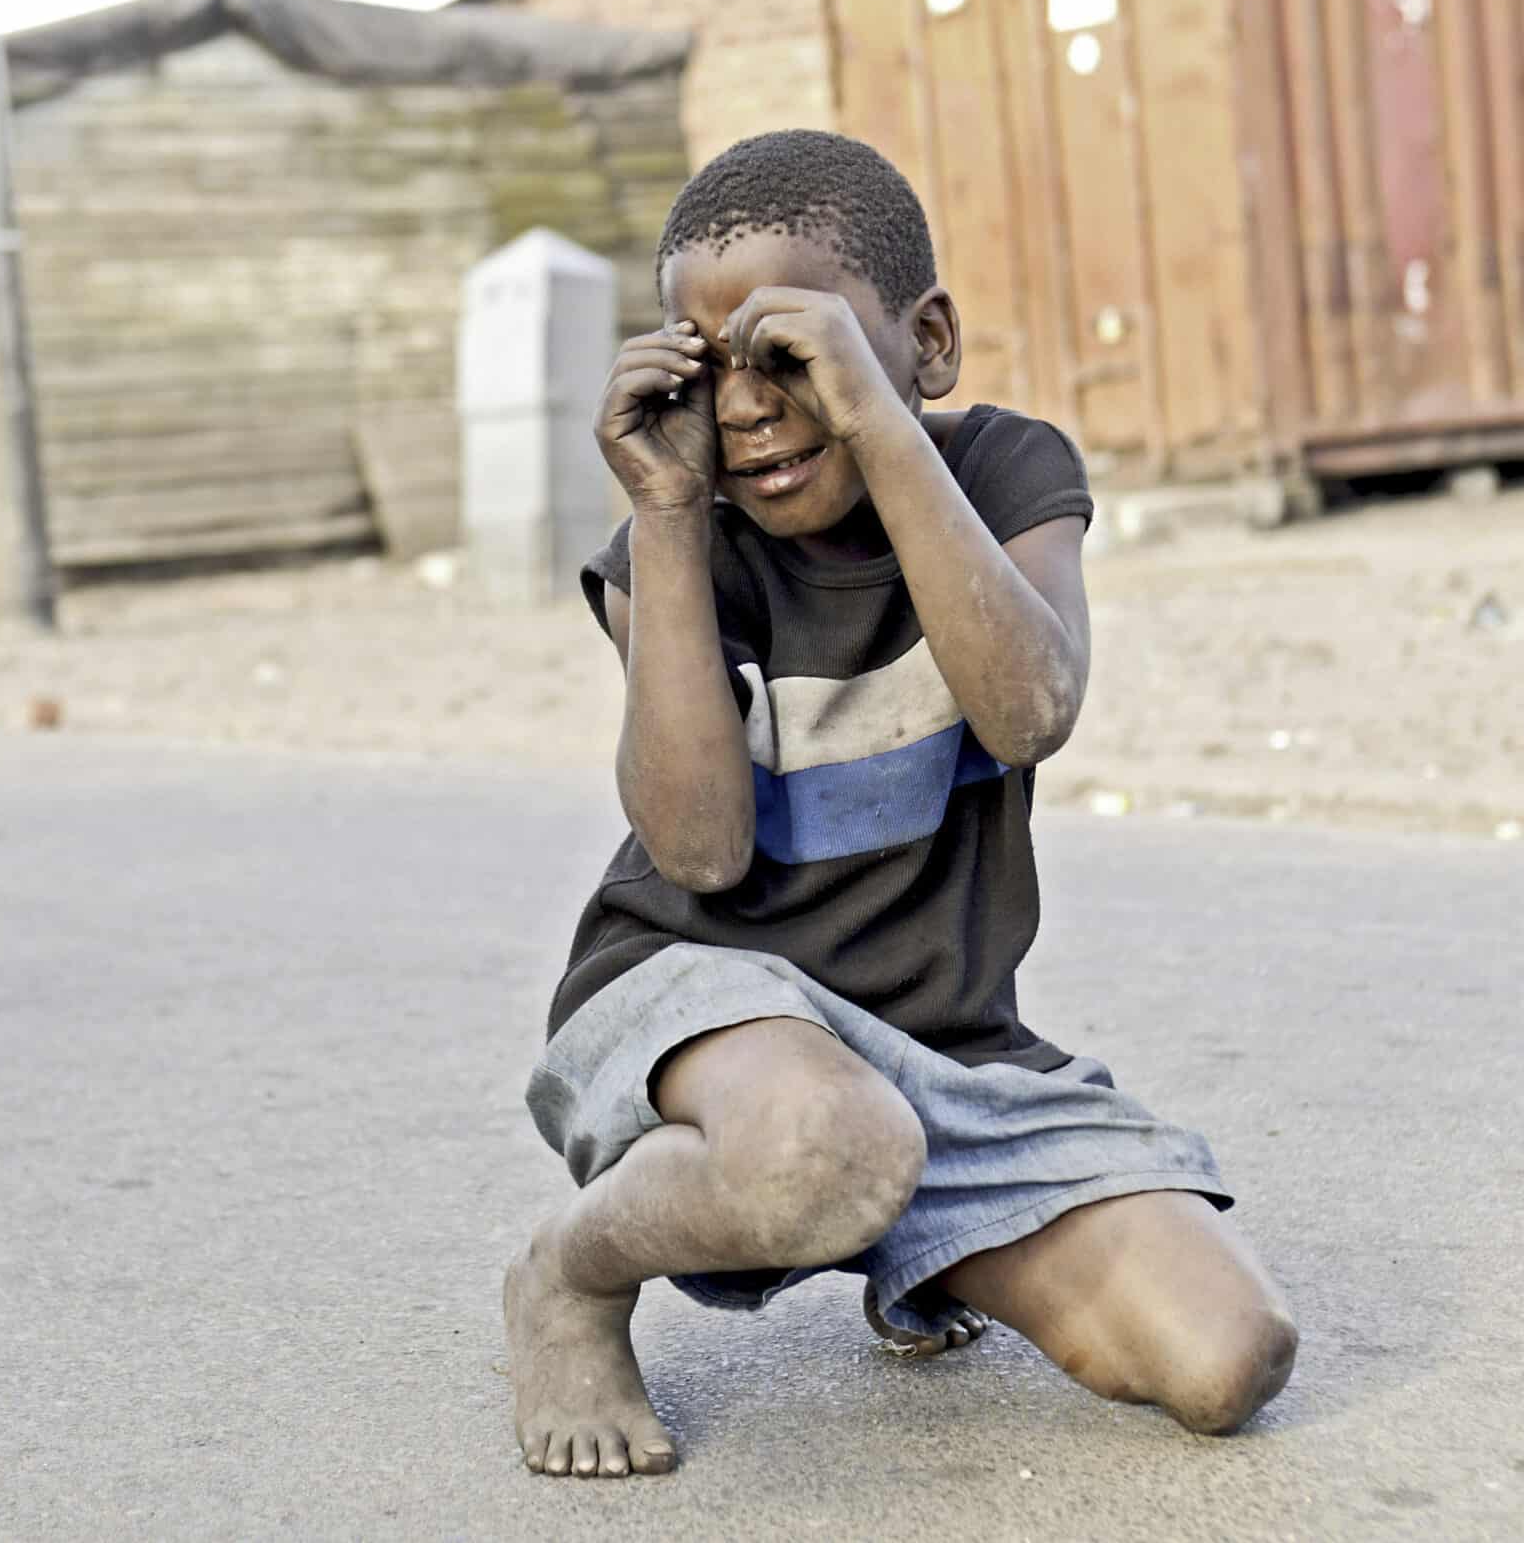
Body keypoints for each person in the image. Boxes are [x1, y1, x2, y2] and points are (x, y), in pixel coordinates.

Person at [505, 130, 1296, 1478]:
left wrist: (876, 421)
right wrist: (671, 518)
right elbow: (696, 848)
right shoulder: (677, 539)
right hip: (698, 992)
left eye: (790, 351)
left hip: (934, 1043)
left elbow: (1030, 708)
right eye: (710, 367)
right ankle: (569, 1276)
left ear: (925, 341)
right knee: (828, 1146)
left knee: (1229, 1356)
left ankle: (916, 1250)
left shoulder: (1000, 472)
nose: (747, 405)